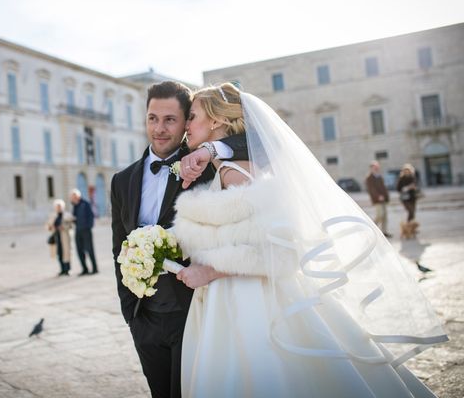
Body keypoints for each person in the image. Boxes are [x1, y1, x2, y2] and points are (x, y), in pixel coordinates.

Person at [172, 84, 446, 397]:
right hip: (235, 292)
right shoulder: (228, 167)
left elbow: (276, 249)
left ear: (217, 121)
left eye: (192, 117)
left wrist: (208, 271)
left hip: (251, 300)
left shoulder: (235, 172)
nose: (185, 127)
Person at [111, 81, 248, 398]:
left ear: (187, 121)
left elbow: (247, 139)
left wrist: (209, 149)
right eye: (152, 118)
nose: (159, 128)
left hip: (194, 315)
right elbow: (119, 246)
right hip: (144, 319)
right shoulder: (122, 181)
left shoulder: (206, 164)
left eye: (170, 119)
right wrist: (131, 314)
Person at [70, 189, 98, 276]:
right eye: (72, 197)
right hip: (78, 230)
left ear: (78, 196)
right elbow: (74, 217)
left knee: (90, 250)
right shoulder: (75, 206)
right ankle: (84, 269)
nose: (73, 199)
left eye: (74, 197)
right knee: (79, 250)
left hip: (86, 230)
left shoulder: (85, 204)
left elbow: (91, 216)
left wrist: (89, 227)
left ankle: (95, 269)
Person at [45, 199, 74, 276]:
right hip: (57, 237)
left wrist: (64, 227)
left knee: (67, 253)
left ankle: (67, 269)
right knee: (59, 254)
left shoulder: (67, 215)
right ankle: (62, 269)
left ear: (63, 207)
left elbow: (71, 225)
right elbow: (48, 225)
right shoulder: (53, 216)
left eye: (60, 206)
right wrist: (50, 227)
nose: (58, 208)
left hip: (65, 237)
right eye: (57, 207)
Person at [365, 161, 392, 238]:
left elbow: (384, 188)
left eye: (377, 167)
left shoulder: (379, 177)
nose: (376, 169)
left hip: (384, 199)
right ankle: (372, 230)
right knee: (380, 215)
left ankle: (384, 232)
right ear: (371, 168)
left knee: (385, 216)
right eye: (375, 167)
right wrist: (378, 196)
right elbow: (371, 189)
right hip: (377, 199)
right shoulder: (369, 178)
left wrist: (386, 196)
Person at [397, 163, 419, 239]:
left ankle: (411, 228)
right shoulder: (401, 178)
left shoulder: (413, 177)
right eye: (405, 170)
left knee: (413, 212)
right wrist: (407, 188)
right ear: (403, 171)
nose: (407, 172)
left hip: (413, 198)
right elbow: (398, 189)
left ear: (410, 171)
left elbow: (416, 186)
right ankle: (407, 227)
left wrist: (414, 187)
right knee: (410, 211)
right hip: (405, 198)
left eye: (408, 170)